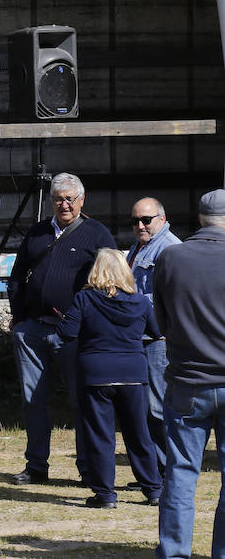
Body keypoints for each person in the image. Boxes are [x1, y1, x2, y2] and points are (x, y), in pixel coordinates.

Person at [7, 172, 116, 484]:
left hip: (75, 333)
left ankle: (88, 469)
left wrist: (90, 322)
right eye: (58, 199)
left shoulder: (97, 234)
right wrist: (19, 317)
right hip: (32, 331)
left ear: (82, 200)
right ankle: (36, 466)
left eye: (70, 199)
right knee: (33, 402)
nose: (64, 204)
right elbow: (17, 276)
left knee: (82, 401)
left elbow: (109, 282)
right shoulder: (37, 233)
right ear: (51, 201)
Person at [53, 248, 162, 509]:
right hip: (132, 373)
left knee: (100, 436)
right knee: (139, 434)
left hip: (96, 373)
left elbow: (67, 334)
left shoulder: (85, 298)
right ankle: (154, 489)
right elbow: (156, 331)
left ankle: (105, 495)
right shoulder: (140, 301)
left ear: (97, 270)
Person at [153, 189, 225, 559]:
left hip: (186, 381)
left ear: (199, 218)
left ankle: (174, 552)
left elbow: (160, 321)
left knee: (180, 473)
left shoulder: (170, 258)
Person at [126, 197, 180, 477]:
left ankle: (170, 472)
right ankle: (154, 473)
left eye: (146, 220)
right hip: (140, 339)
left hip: (158, 340)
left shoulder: (169, 248)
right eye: (135, 220)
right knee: (146, 409)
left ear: (162, 218)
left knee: (160, 408)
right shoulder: (139, 246)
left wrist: (127, 301)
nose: (140, 226)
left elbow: (171, 296)